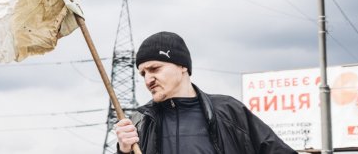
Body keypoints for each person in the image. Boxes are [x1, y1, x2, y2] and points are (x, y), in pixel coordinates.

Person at [115, 31, 297, 154]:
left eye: (155, 69)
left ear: (182, 66)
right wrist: (124, 151)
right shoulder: (139, 121)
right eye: (143, 73)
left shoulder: (229, 112)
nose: (148, 80)